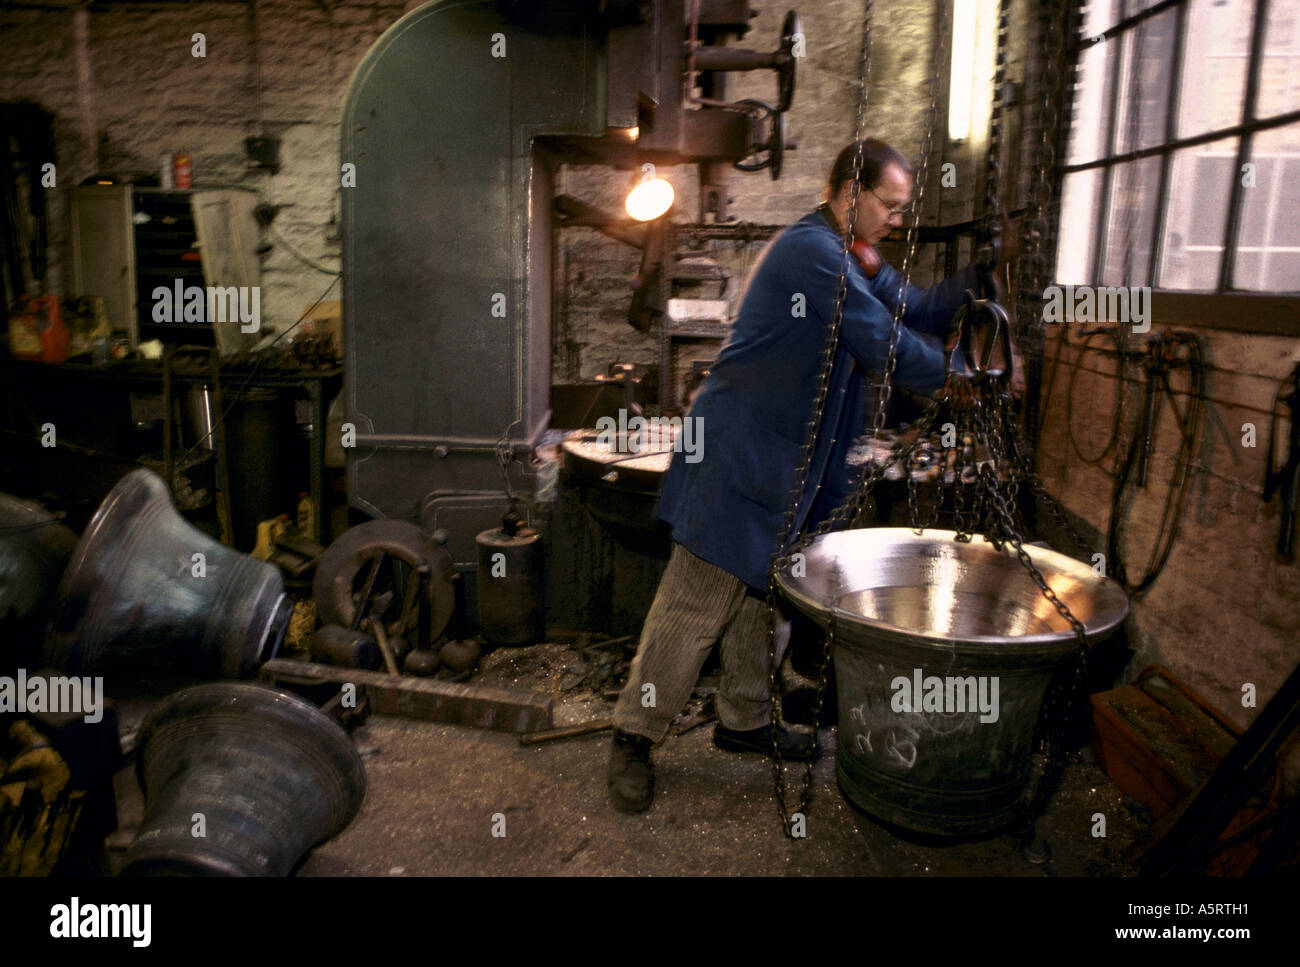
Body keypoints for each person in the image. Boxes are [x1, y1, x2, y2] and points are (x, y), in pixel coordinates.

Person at [607, 139, 985, 814]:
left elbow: (920, 307)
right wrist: (957, 378)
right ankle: (633, 735)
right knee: (696, 604)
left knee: (760, 594)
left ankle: (743, 719)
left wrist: (987, 272)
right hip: (737, 454)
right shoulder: (812, 254)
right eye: (889, 206)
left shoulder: (860, 259)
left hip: (787, 466)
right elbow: (882, 340)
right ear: (848, 192)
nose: (897, 220)